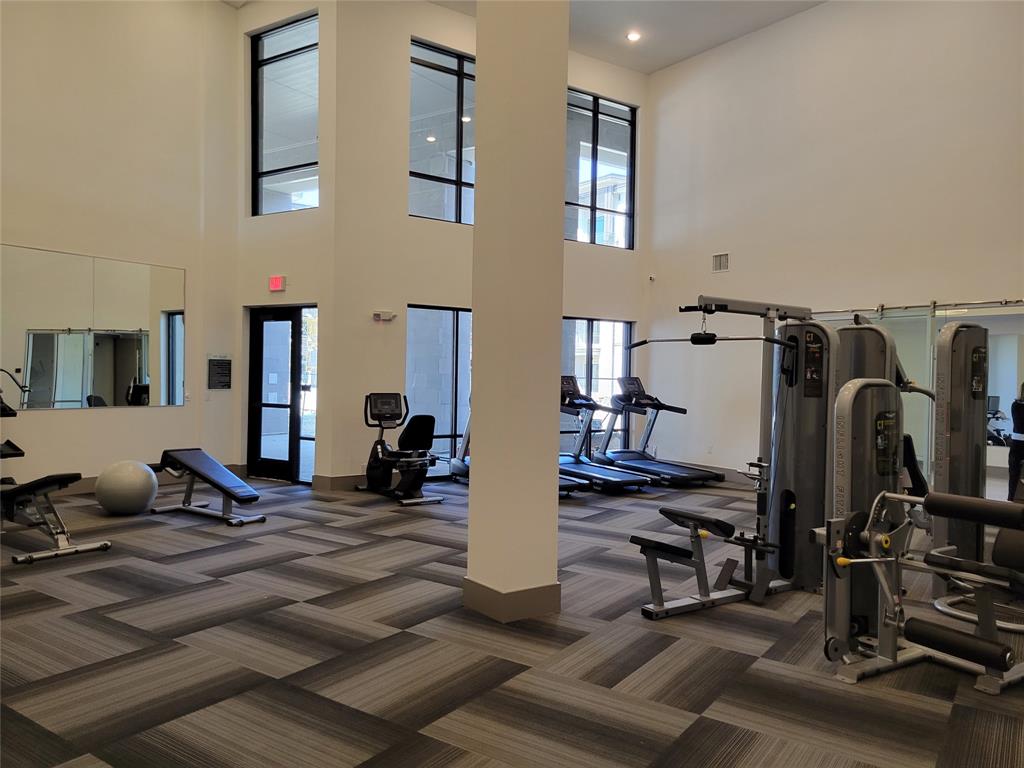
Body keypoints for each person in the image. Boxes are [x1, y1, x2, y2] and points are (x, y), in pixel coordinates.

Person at [1010, 382, 1024, 501]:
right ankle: (1012, 496)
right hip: (1018, 443)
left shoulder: (1016, 405)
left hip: (1017, 442)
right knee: (1014, 472)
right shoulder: (1016, 405)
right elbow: (1019, 425)